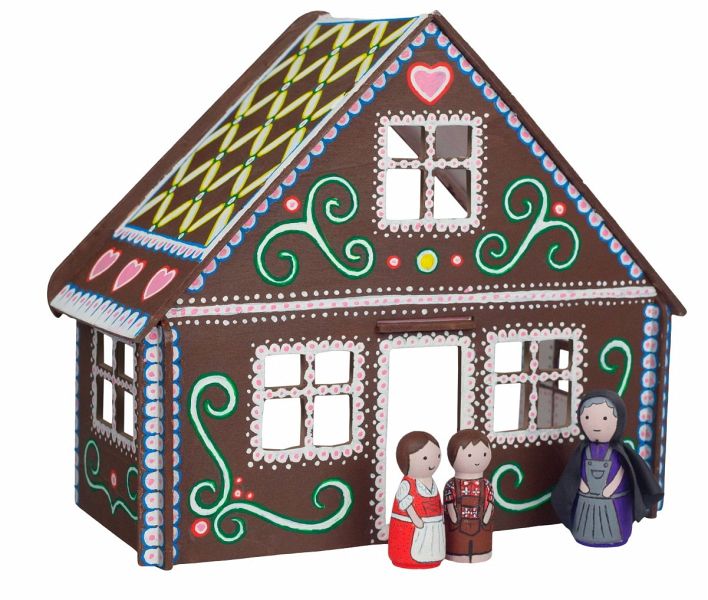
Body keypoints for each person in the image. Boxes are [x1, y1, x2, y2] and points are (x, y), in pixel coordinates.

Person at [551, 389, 664, 547]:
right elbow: (574, 473)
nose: (596, 425)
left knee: (611, 525)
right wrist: (582, 485)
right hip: (586, 501)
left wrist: (611, 488)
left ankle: (615, 536)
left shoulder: (618, 453)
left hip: (613, 500)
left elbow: (620, 473)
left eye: (604, 418)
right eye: (587, 417)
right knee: (585, 521)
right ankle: (584, 533)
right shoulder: (583, 451)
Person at [388, 431, 445, 569]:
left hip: (434, 524)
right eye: (425, 458)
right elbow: (405, 503)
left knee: (433, 545)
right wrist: (415, 519)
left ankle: (433, 558)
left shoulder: (432, 482)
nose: (432, 462)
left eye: (437, 456)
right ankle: (407, 559)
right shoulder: (407, 484)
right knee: (416, 546)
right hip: (415, 525)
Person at [443, 430, 494, 563]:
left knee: (480, 545)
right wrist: (454, 518)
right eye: (470, 455)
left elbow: (490, 504)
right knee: (459, 545)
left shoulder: (487, 485)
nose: (478, 460)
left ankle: (481, 553)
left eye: (484, 454)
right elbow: (449, 505)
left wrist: (486, 518)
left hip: (482, 525)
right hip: (457, 527)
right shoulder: (451, 485)